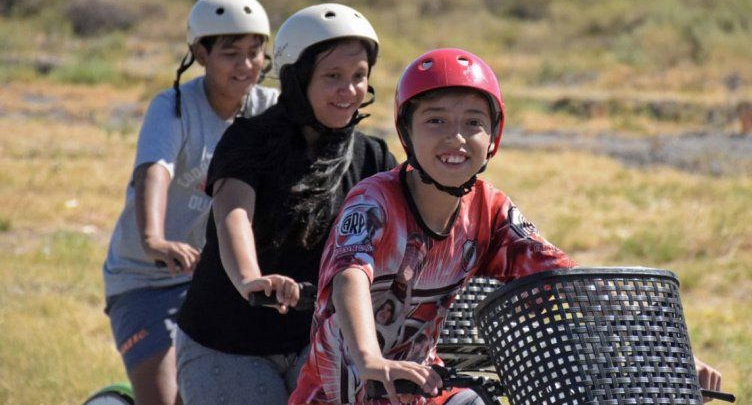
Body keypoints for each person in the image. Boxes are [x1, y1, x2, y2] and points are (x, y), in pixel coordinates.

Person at [289, 48, 723, 405]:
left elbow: (570, 283)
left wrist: (668, 356)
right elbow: (350, 276)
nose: (455, 138)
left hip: (424, 392)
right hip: (334, 394)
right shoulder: (374, 200)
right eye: (435, 120)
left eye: (473, 123)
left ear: (493, 136)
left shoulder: (490, 210)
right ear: (406, 131)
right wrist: (368, 359)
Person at [175, 3, 398, 405]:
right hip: (226, 339)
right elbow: (233, 213)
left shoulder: (373, 158)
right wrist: (249, 279)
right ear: (296, 78)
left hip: (320, 340)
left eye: (359, 76)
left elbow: (405, 236)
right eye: (332, 76)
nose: (349, 90)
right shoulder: (248, 138)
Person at [101, 0, 277, 405]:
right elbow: (154, 171)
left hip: (219, 277)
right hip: (147, 279)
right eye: (231, 53)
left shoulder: (271, 108)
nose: (246, 65)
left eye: (255, 52)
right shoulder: (175, 106)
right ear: (200, 53)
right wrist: (153, 241)